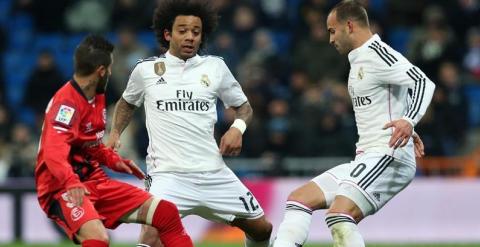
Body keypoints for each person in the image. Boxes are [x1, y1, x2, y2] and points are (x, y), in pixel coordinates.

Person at [106, 1, 273, 247]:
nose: (190, 37)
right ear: (167, 34)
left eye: (196, 32)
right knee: (151, 235)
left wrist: (237, 128)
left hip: (213, 173)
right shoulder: (146, 70)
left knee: (262, 229)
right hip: (167, 175)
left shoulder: (215, 67)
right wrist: (115, 132)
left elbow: (244, 107)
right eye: (182, 30)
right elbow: (127, 103)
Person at [273, 1, 435, 246]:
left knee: (340, 215)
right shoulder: (357, 59)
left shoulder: (378, 53)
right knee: (299, 199)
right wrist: (406, 120)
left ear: (349, 26)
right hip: (366, 157)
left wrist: (409, 120)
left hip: (388, 155)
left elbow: (423, 82)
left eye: (332, 31)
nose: (330, 39)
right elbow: (393, 97)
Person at [34, 34, 193, 247]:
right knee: (98, 239)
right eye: (108, 68)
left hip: (95, 180)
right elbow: (53, 153)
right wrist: (71, 182)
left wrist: (115, 161)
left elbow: (91, 145)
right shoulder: (66, 105)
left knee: (166, 213)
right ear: (100, 71)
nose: (110, 72)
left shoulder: (96, 97)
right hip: (61, 188)